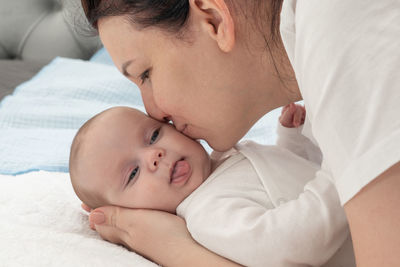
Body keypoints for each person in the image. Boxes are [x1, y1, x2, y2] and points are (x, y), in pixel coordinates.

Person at [79, 0, 400, 266]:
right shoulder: (207, 212)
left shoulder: (341, 31)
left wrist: (171, 247)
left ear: (214, 19)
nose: (154, 111)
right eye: (132, 173)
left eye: (145, 74)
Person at [70, 105, 354, 267]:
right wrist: (341, 171)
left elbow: (286, 186)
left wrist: (293, 143)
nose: (153, 156)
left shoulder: (225, 156)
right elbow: (294, 243)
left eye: (154, 135)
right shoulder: (207, 216)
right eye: (132, 174)